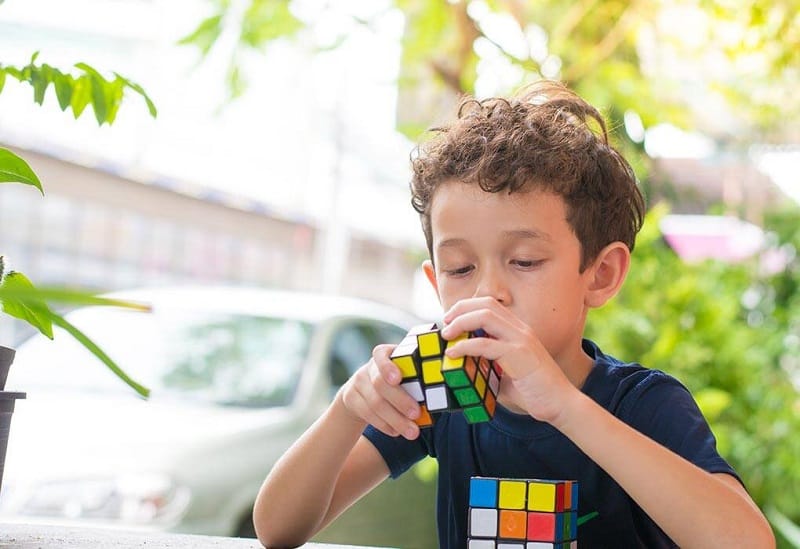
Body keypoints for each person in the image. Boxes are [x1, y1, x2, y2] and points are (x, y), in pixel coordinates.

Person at [253, 81, 774, 548]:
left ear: (601, 274)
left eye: (524, 261)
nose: (488, 292)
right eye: (460, 268)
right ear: (435, 283)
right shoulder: (445, 402)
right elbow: (278, 529)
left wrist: (565, 407)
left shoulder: (641, 405)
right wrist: (348, 407)